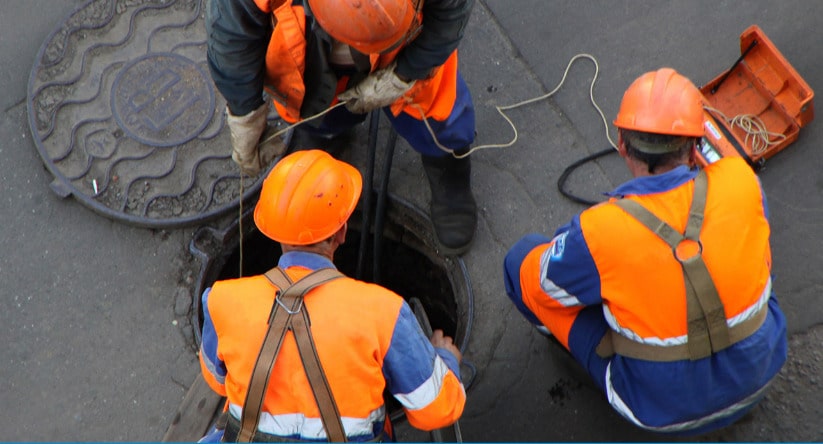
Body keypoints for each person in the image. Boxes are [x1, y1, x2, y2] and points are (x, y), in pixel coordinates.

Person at [502, 68, 787, 435]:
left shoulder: (599, 230)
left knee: (520, 261)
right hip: (761, 371)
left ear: (622, 144)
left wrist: (577, 248)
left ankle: (572, 350)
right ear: (697, 147)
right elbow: (762, 257)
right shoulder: (740, 179)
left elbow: (540, 286)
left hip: (662, 411)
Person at [199, 149, 465, 442]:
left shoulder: (221, 301)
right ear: (341, 233)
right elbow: (437, 410)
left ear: (273, 230)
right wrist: (445, 357)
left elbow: (218, 381)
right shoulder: (382, 312)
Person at [206, 0, 478, 255]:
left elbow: (450, 17)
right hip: (312, 43)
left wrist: (406, 72)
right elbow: (231, 40)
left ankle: (447, 165)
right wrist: (245, 113)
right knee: (316, 107)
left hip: (406, 40)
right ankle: (326, 133)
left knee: (436, 108)